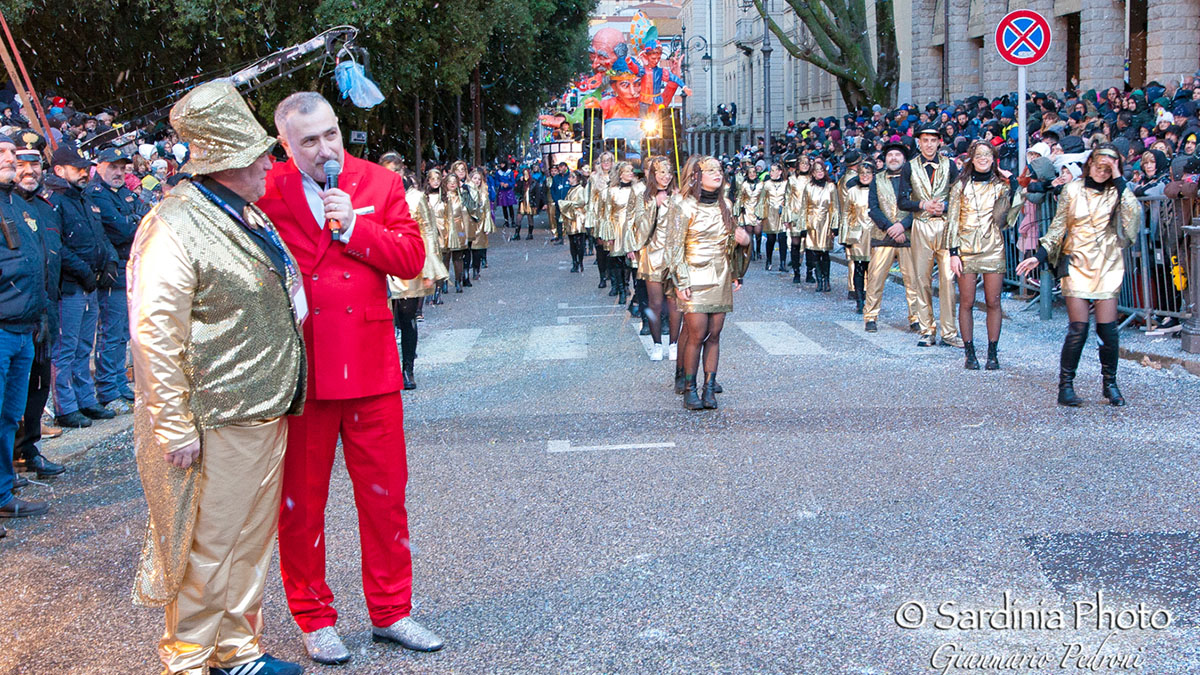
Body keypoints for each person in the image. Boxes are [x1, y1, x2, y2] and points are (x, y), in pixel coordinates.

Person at [257, 91, 443, 665]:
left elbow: (411, 259)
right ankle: (313, 617)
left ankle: (392, 611)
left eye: (331, 134)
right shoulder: (267, 189)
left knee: (385, 499)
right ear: (285, 144)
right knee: (301, 505)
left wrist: (352, 231)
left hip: (370, 365)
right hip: (304, 372)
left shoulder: (377, 185)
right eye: (308, 141)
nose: (324, 150)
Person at [127, 81, 306, 675]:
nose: (268, 163)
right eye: (259, 154)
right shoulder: (174, 224)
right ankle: (188, 658)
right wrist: (173, 424)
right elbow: (155, 333)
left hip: (261, 406)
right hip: (214, 416)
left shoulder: (240, 211)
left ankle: (238, 651)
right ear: (225, 163)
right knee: (207, 547)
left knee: (250, 542)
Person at [1016, 145, 1141, 407]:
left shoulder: (1118, 192)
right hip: (1076, 262)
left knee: (1108, 331)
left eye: (1109, 167)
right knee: (1078, 329)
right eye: (1098, 165)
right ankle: (1066, 386)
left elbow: (1133, 218)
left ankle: (1110, 384)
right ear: (1089, 163)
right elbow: (1058, 226)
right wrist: (1038, 256)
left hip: (1107, 263)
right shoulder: (1072, 190)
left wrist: (1119, 179)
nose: (1102, 170)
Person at [668, 156, 750, 410]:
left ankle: (709, 388)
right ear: (697, 175)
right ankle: (689, 389)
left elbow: (732, 243)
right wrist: (681, 281)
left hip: (721, 275)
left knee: (715, 335)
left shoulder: (725, 203)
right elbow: (674, 247)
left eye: (720, 170)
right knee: (696, 334)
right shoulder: (684, 205)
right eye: (710, 170)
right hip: (693, 276)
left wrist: (744, 243)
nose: (717, 174)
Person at [46, 141, 116, 428]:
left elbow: (100, 237)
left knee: (83, 346)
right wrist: (84, 271)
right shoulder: (55, 202)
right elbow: (57, 246)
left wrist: (109, 260)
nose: (84, 173)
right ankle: (66, 406)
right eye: (78, 169)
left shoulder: (84, 199)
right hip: (71, 287)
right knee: (66, 348)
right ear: (60, 170)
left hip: (89, 284)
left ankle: (85, 400)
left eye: (85, 168)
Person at [11, 130, 67, 480]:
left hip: (46, 308)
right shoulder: (7, 204)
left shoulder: (46, 207)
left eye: (34, 163)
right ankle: (10, 460)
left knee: (38, 385)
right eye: (21, 163)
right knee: (10, 396)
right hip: (15, 310)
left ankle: (28, 449)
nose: (29, 170)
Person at [0, 132, 49, 521]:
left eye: (12, 154)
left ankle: (2, 492)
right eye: (2, 153)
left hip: (24, 328)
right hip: (2, 329)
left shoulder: (16, 204)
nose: (12, 160)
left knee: (8, 415)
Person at [947, 141, 1022, 370]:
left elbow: (1008, 219)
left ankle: (992, 352)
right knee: (967, 301)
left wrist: (1015, 184)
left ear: (993, 158)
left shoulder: (1001, 186)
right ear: (971, 157)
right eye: (978, 155)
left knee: (993, 301)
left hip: (993, 246)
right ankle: (970, 353)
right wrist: (953, 252)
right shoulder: (960, 186)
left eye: (987, 155)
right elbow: (952, 220)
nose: (982, 158)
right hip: (966, 248)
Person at [88, 145, 144, 406]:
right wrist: (133, 220)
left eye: (122, 168)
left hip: (129, 268)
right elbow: (122, 230)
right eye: (113, 167)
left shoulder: (123, 193)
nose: (119, 173)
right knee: (111, 333)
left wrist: (132, 219)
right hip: (112, 270)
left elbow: (148, 217)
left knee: (123, 333)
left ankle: (120, 384)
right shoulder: (96, 194)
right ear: (99, 166)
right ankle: (108, 390)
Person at [900, 124, 962, 347]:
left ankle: (949, 331)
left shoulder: (950, 165)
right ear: (919, 142)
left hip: (945, 226)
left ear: (939, 142)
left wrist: (944, 206)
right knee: (922, 278)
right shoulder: (909, 167)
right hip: (921, 225)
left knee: (947, 278)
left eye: (933, 140)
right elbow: (902, 201)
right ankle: (927, 329)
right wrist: (922, 204)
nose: (928, 145)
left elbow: (959, 196)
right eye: (925, 140)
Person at [389, 170, 449, 391]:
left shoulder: (415, 197)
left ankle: (407, 368)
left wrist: (430, 266)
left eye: (396, 168)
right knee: (384, 320)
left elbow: (429, 231)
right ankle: (388, 369)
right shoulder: (376, 192)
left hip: (408, 261)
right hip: (384, 260)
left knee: (407, 318)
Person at [863, 141, 919, 333]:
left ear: (904, 159)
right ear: (885, 159)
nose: (893, 158)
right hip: (883, 236)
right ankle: (870, 316)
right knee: (875, 279)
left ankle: (916, 317)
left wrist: (902, 226)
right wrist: (890, 228)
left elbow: (919, 207)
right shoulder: (877, 180)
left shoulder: (914, 179)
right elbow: (873, 207)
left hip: (908, 236)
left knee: (913, 280)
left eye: (897, 155)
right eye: (890, 155)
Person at [629, 156, 679, 361]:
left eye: (669, 173)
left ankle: (674, 344)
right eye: (661, 173)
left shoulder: (678, 195)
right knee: (656, 303)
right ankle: (657, 344)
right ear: (653, 175)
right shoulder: (644, 196)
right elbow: (639, 227)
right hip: (652, 255)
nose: (665, 177)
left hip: (675, 256)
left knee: (675, 302)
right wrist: (654, 207)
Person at [600, 162, 643, 306]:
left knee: (633, 262)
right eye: (627, 171)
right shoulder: (611, 191)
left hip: (633, 228)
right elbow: (607, 214)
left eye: (631, 171)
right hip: (618, 227)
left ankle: (632, 288)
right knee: (617, 261)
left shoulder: (638, 189)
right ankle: (621, 290)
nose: (630, 173)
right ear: (620, 174)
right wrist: (609, 234)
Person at [797, 160, 839, 292]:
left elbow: (835, 207)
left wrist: (835, 225)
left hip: (826, 221)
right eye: (817, 171)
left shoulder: (831, 186)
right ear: (813, 173)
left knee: (825, 252)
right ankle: (819, 279)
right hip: (812, 223)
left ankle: (827, 279)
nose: (819, 173)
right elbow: (803, 207)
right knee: (814, 252)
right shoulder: (808, 187)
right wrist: (803, 226)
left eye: (821, 170)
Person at [840, 161, 874, 314]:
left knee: (874, 268)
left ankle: (872, 298)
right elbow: (847, 213)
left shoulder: (878, 190)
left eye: (868, 173)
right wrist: (845, 235)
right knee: (859, 267)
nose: (865, 176)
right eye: (862, 173)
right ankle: (859, 299)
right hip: (858, 234)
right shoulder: (852, 191)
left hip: (875, 233)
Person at [587, 152, 615, 291]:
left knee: (613, 248)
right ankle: (602, 276)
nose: (606, 163)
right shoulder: (594, 177)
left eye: (608, 160)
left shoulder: (616, 176)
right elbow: (591, 197)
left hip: (613, 216)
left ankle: (613, 276)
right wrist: (590, 216)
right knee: (600, 247)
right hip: (599, 215)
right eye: (603, 161)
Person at [754, 162, 788, 271]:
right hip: (770, 213)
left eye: (774, 170)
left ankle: (783, 263)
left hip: (782, 213)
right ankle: (769, 260)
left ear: (780, 171)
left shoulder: (786, 183)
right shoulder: (767, 184)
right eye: (771, 170)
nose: (772, 173)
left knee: (783, 238)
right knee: (771, 238)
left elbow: (788, 198)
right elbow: (762, 199)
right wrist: (760, 215)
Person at [559, 170, 589, 272]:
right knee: (572, 242)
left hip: (578, 218)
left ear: (575, 178)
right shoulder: (570, 189)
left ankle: (580, 262)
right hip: (571, 218)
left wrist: (568, 204)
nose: (569, 179)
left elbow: (582, 202)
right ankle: (574, 262)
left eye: (571, 177)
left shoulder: (580, 189)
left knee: (579, 242)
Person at [468, 167, 495, 279]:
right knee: (468, 248)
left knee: (478, 249)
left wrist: (488, 225)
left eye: (479, 179)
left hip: (480, 223)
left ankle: (476, 270)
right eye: (474, 178)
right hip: (469, 224)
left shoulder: (484, 194)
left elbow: (487, 210)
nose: (477, 181)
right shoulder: (466, 191)